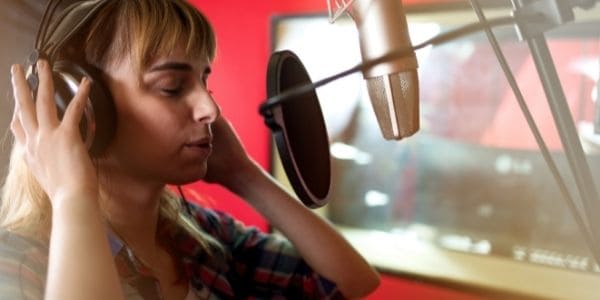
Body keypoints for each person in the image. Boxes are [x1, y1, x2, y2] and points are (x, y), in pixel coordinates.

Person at [0, 0, 380, 299]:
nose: (210, 109)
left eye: (203, 80)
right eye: (172, 87)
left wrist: (243, 174)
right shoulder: (19, 265)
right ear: (82, 109)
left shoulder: (199, 236)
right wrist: (71, 197)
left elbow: (350, 282)